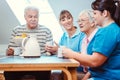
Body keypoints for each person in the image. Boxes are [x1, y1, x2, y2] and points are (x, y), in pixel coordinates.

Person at [62, 0, 120, 80]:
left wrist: (71, 54)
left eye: (95, 13)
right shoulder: (113, 29)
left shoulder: (107, 31)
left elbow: (95, 61)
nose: (93, 16)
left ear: (104, 13)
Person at [5, 6, 53, 80]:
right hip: (19, 65)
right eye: (30, 17)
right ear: (25, 17)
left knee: (45, 73)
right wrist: (10, 52)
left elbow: (50, 53)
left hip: (40, 66)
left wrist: (51, 50)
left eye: (35, 17)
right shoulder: (17, 30)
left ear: (38, 17)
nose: (33, 19)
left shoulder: (46, 31)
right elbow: (10, 51)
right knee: (8, 72)